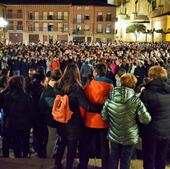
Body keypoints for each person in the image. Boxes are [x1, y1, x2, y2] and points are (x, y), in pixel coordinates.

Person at [53, 63, 102, 169]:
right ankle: (69, 166)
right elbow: (87, 106)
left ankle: (57, 164)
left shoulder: (58, 85)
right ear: (77, 73)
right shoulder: (76, 88)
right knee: (72, 148)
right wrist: (101, 108)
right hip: (73, 122)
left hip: (60, 120)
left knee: (62, 143)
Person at [101, 73, 151, 169]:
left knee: (113, 156)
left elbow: (104, 117)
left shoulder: (110, 97)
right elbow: (145, 119)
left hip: (114, 133)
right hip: (130, 134)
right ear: (133, 84)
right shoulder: (136, 100)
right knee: (126, 158)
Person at [79, 63, 113, 169]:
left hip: (90, 120)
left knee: (86, 144)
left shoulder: (90, 85)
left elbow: (84, 102)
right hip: (104, 121)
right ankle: (105, 166)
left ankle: (83, 164)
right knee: (104, 146)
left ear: (96, 72)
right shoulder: (111, 86)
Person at [140, 66, 170, 169]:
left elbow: (142, 115)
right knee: (161, 158)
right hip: (167, 131)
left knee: (149, 159)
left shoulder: (146, 93)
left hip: (150, 132)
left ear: (151, 77)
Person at [0, 76, 34, 158]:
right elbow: (31, 111)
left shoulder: (5, 96)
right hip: (24, 125)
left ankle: (12, 159)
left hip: (10, 123)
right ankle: (24, 159)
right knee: (24, 143)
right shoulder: (26, 97)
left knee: (12, 143)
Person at [40, 69, 62, 158]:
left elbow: (41, 105)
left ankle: (49, 161)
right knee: (61, 140)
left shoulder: (46, 91)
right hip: (61, 119)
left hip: (50, 119)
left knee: (51, 140)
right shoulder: (62, 90)